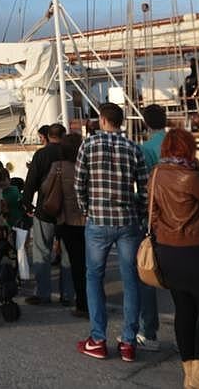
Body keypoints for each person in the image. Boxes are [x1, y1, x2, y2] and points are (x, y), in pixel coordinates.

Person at [74, 102, 149, 363]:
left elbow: (79, 182)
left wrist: (87, 209)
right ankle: (128, 342)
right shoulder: (133, 148)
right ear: (121, 122)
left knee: (94, 277)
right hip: (127, 220)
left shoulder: (89, 144)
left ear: (103, 120)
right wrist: (137, 213)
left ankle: (98, 339)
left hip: (98, 219)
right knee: (131, 280)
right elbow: (144, 187)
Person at [149, 128, 199, 389]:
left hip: (168, 251)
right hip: (196, 250)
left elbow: (154, 212)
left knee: (185, 310)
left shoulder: (156, 174)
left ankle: (189, 373)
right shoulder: (191, 176)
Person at [22, 123, 68, 306]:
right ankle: (68, 293)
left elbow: (31, 181)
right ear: (63, 136)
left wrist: (26, 202)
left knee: (42, 251)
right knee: (67, 253)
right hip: (67, 211)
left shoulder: (41, 155)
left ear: (48, 136)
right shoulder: (70, 154)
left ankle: (43, 293)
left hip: (45, 208)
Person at [135, 104, 168, 351]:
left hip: (154, 216)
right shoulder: (178, 143)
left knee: (146, 274)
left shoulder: (145, 149)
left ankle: (149, 332)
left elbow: (142, 187)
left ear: (145, 123)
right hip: (181, 216)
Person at [53, 131, 88, 320]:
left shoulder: (58, 167)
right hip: (87, 220)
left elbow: (45, 188)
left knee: (76, 263)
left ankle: (81, 302)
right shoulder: (88, 166)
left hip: (66, 220)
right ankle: (92, 299)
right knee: (91, 263)